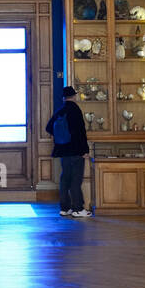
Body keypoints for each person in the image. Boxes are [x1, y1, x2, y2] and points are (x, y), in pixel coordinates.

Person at [47, 86, 90, 217]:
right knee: (76, 180)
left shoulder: (60, 110)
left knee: (65, 179)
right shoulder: (75, 110)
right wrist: (85, 150)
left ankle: (65, 208)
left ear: (63, 97)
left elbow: (48, 127)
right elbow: (81, 132)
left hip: (63, 151)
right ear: (74, 96)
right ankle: (78, 208)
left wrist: (61, 137)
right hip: (76, 150)